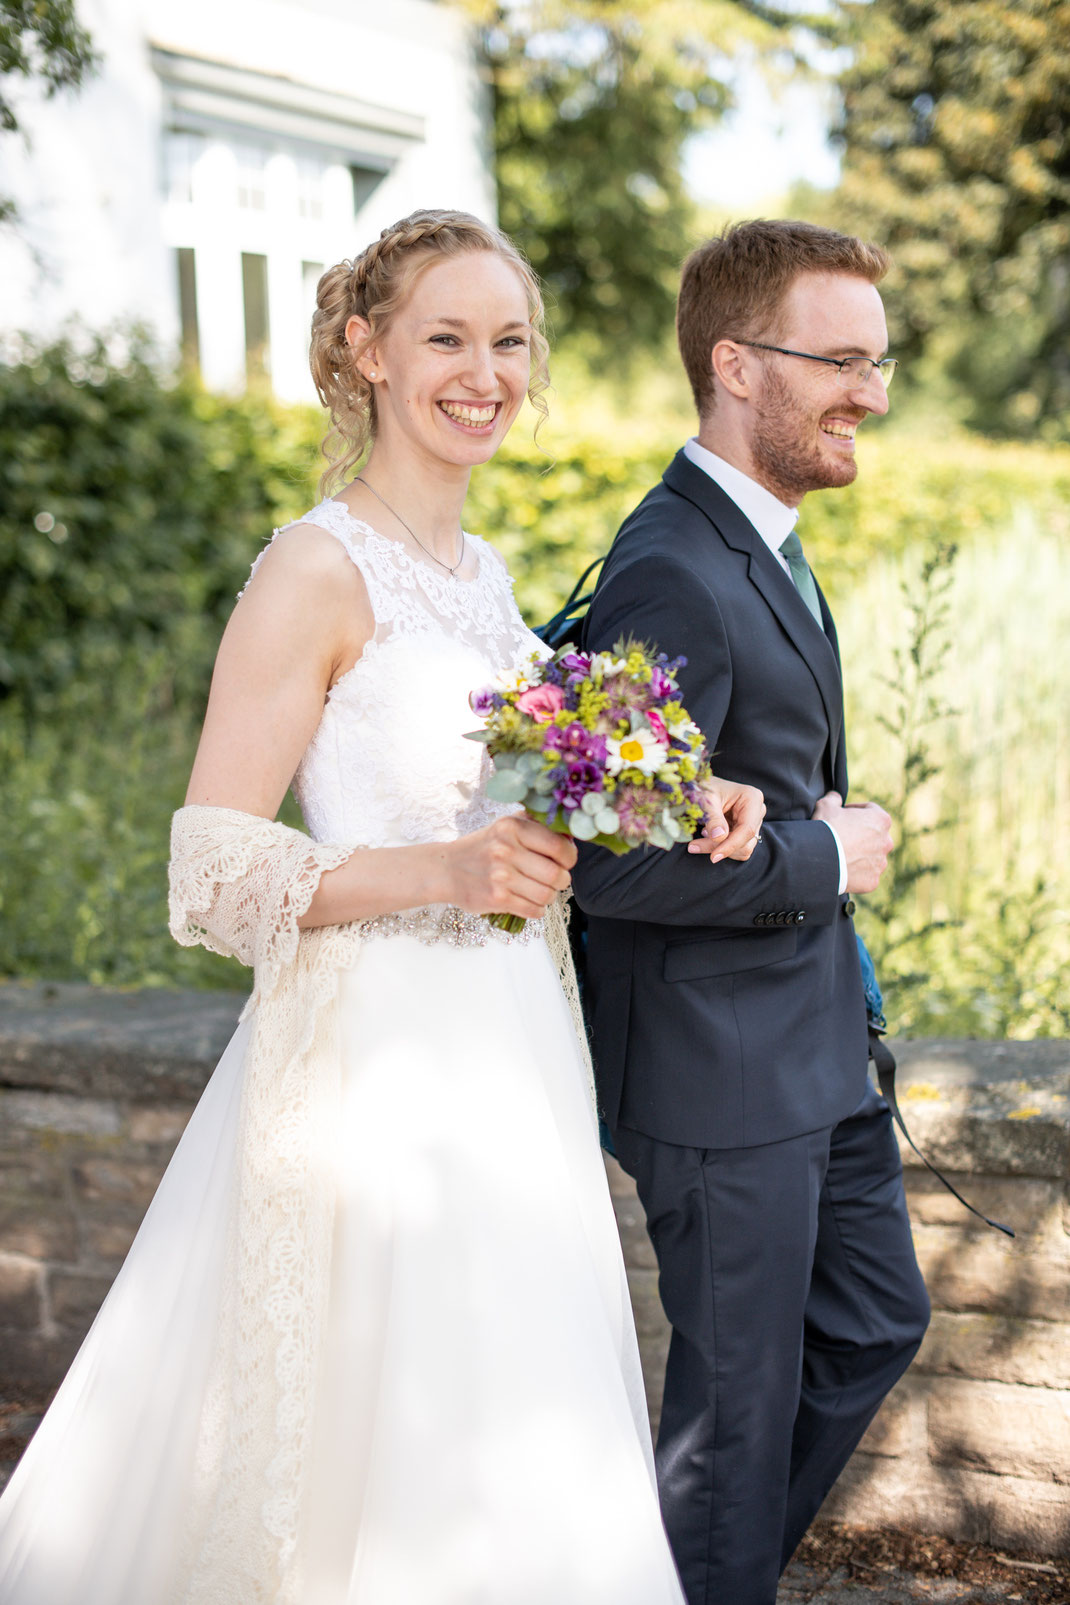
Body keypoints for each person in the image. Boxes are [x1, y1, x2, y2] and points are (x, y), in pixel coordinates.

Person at [0, 209, 763, 1605]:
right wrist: (444, 874)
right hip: (368, 1073)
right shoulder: (314, 567)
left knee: (512, 1419)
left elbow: (537, 782)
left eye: (510, 341)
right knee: (377, 1425)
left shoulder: (485, 580)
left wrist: (688, 789)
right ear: (364, 350)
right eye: (446, 338)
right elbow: (215, 870)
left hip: (512, 1054)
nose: (485, 372)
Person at [572, 219, 932, 1605]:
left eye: (876, 359)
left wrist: (805, 850)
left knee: (872, 1320)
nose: (874, 391)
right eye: (841, 360)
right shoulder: (669, 566)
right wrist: (822, 859)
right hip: (718, 1077)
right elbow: (614, 867)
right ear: (735, 364)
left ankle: (665, 1578)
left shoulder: (759, 543)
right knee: (728, 1423)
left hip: (811, 1050)